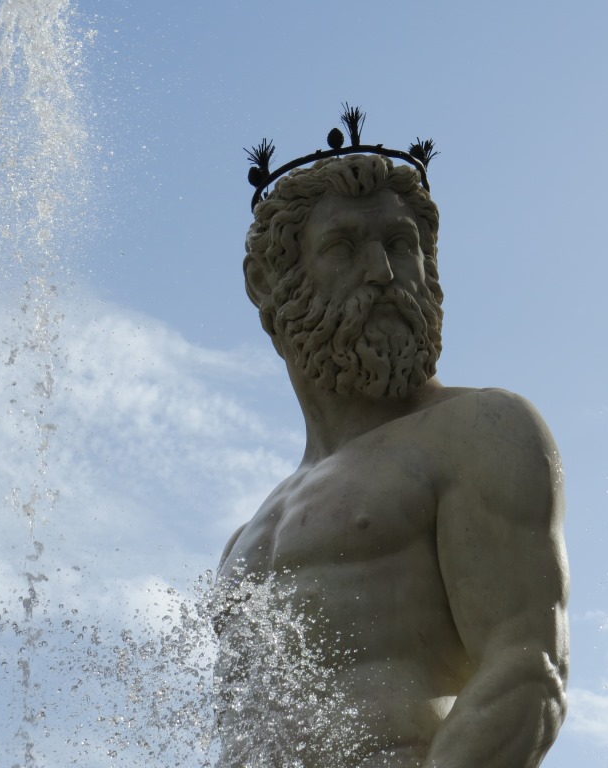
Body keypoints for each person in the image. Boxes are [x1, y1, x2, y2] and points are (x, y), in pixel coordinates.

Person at [216, 152, 569, 767]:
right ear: (268, 283)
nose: (382, 272)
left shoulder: (477, 430)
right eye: (345, 248)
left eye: (401, 245)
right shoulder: (241, 541)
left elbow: (526, 668)